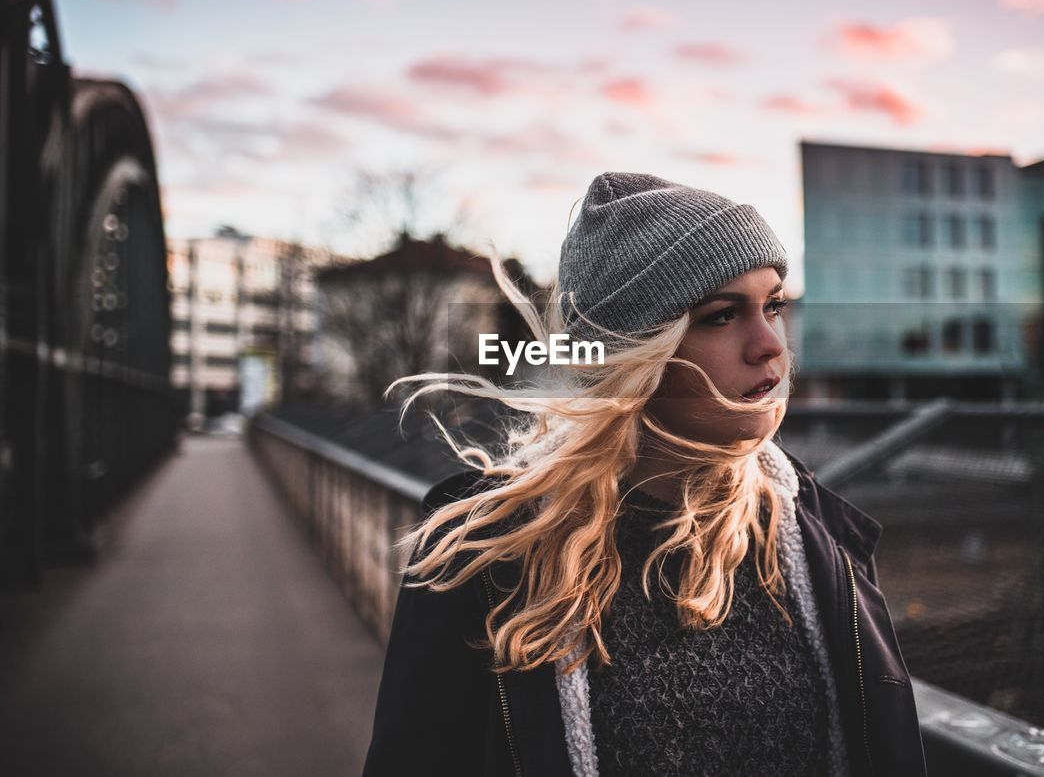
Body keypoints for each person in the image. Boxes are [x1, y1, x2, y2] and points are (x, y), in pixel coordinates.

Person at [361, 172, 928, 777]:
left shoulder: (819, 536)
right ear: (632, 353)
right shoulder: (482, 555)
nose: (770, 344)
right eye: (720, 316)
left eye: (774, 306)